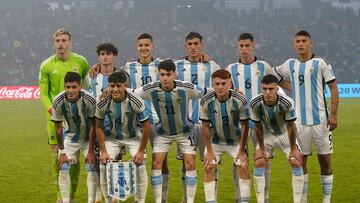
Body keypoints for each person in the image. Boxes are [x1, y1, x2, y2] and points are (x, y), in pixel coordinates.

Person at [275, 30, 339, 203]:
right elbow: (274, 75)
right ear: (294, 44)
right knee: (300, 163)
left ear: (310, 43)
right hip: (299, 124)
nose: (301, 44)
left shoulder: (321, 63)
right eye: (298, 41)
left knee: (325, 163)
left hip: (322, 123)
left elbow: (333, 87)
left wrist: (333, 115)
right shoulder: (290, 64)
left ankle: (326, 201)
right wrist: (293, 86)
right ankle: (302, 200)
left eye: (304, 41)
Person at [134, 59, 208, 203]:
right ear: (158, 74)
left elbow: (206, 92)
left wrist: (232, 91)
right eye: (162, 75)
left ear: (174, 74)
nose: (165, 78)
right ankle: (160, 200)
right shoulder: (150, 88)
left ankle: (189, 201)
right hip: (163, 132)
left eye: (168, 74)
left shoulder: (186, 87)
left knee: (190, 164)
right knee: (156, 163)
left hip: (185, 131)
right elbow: (131, 94)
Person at [38, 28, 89, 203]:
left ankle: (71, 196)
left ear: (70, 43)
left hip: (77, 117)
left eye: (64, 40)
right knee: (57, 155)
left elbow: (88, 86)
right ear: (54, 43)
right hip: (55, 117)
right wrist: (53, 111)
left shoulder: (81, 62)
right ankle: (60, 195)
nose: (61, 43)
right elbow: (43, 94)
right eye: (58, 40)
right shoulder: (46, 65)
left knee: (73, 157)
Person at [225, 32, 276, 202]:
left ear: (253, 45)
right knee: (238, 161)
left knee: (263, 160)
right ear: (237, 46)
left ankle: (265, 198)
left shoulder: (264, 66)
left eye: (247, 45)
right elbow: (224, 92)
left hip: (261, 123)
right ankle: (239, 198)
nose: (244, 49)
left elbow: (275, 88)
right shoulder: (230, 69)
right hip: (239, 124)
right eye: (241, 46)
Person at [175, 31, 220, 202]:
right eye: (190, 44)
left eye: (196, 44)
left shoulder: (212, 65)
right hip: (186, 123)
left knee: (211, 161)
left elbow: (221, 86)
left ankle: (212, 198)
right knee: (186, 162)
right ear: (185, 46)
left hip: (207, 122)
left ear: (202, 45)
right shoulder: (177, 66)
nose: (193, 47)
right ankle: (186, 198)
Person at [95, 71, 151, 203]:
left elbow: (147, 127)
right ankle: (109, 200)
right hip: (112, 137)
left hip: (133, 136)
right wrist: (103, 151)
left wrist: (141, 151)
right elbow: (98, 126)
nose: (115, 89)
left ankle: (140, 201)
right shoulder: (103, 102)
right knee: (103, 165)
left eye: (118, 86)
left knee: (141, 164)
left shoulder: (136, 100)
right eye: (112, 86)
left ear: (125, 86)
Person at [250, 74, 304, 203]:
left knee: (295, 161)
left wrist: (293, 149)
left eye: (271, 89)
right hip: (267, 135)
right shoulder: (255, 102)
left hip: (285, 134)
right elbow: (257, 126)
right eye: (264, 89)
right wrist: (261, 148)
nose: (267, 92)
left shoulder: (286, 102)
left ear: (276, 89)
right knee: (259, 161)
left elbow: (291, 126)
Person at [199, 69, 251, 203]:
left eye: (223, 83)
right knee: (209, 165)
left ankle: (244, 201)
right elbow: (205, 126)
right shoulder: (206, 101)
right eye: (217, 84)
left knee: (243, 165)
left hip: (236, 141)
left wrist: (242, 151)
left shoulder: (240, 100)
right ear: (212, 84)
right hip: (215, 141)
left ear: (230, 84)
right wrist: (209, 152)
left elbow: (245, 126)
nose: (220, 87)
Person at [51, 72, 97, 203]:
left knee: (92, 167)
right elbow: (58, 128)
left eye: (74, 87)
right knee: (63, 166)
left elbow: (94, 125)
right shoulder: (58, 101)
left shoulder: (89, 99)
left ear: (80, 86)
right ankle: (65, 200)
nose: (71, 90)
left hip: (89, 137)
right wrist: (62, 152)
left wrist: (91, 151)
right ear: (64, 87)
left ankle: (91, 200)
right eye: (68, 87)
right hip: (71, 136)